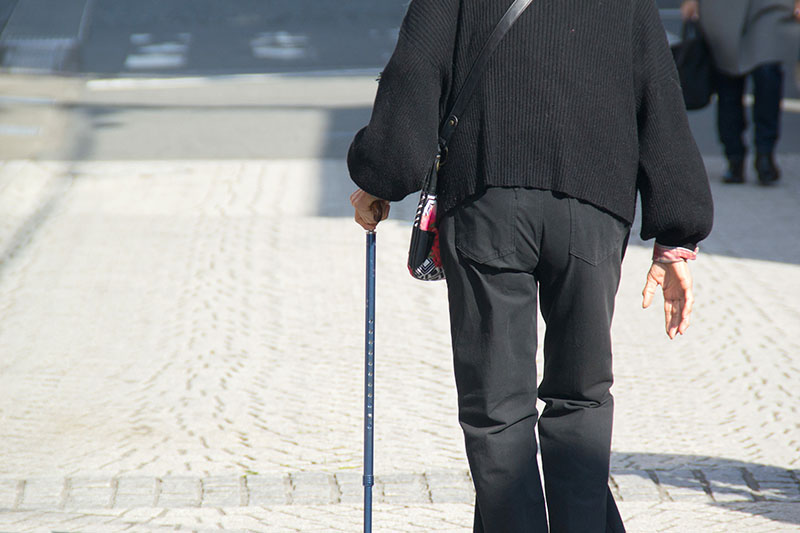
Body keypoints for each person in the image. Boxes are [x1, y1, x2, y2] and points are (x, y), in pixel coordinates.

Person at [348, 0, 713, 531]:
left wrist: (381, 177)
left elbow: (416, 72)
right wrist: (677, 236)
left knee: (497, 411)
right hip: (593, 205)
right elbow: (658, 92)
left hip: (487, 199)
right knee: (582, 397)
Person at [681, 0, 800, 185]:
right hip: (722, 8)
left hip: (769, 6)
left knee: (767, 72)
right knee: (728, 79)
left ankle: (765, 153)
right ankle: (734, 156)